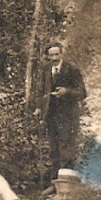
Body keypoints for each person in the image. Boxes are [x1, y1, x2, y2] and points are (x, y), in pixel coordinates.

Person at [35, 42, 87, 183]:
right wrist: (39, 107)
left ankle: (66, 183)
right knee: (53, 150)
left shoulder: (71, 69)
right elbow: (41, 90)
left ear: (61, 54)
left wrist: (67, 92)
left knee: (66, 150)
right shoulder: (46, 69)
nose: (54, 58)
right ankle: (54, 181)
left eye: (56, 54)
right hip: (50, 115)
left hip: (68, 116)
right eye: (51, 55)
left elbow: (82, 92)